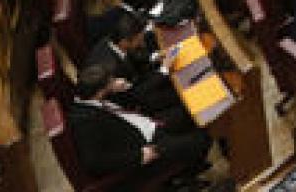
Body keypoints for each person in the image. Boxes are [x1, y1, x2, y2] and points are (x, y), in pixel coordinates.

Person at [68, 64, 212, 185]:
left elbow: (129, 103)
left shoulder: (88, 98)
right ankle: (184, 175)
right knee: (203, 138)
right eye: (110, 82)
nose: (114, 81)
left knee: (193, 112)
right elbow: (94, 162)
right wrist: (139, 155)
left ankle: (191, 163)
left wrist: (122, 88)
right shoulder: (85, 122)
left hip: (146, 123)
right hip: (148, 145)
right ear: (99, 91)